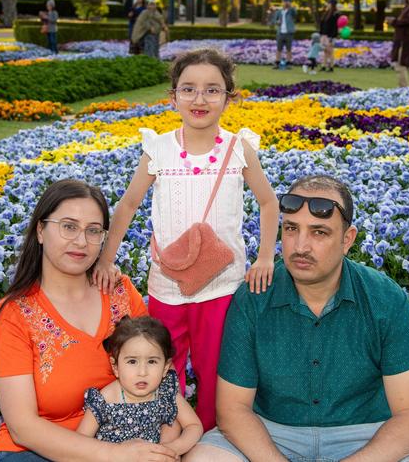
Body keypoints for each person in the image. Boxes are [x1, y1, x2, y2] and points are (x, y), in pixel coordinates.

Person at [185, 174, 409, 462]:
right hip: (270, 434)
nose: (301, 246)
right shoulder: (253, 297)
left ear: (347, 239)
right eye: (291, 229)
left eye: (319, 232)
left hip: (366, 437)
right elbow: (233, 410)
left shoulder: (384, 298)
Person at [92, 48, 279, 432]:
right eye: (189, 89)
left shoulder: (238, 147)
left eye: (213, 90)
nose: (200, 99)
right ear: (172, 95)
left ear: (229, 97)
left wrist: (265, 258)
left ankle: (212, 439)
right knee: (162, 366)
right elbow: (128, 205)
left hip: (221, 286)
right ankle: (162, 436)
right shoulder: (157, 149)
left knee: (215, 369)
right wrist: (106, 259)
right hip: (168, 284)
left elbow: (268, 201)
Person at [0, 179, 178, 461]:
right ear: (40, 230)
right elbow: (23, 428)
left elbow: (158, 378)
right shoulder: (15, 314)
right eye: (68, 226)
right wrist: (115, 454)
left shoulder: (120, 292)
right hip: (37, 452)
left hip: (128, 441)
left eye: (93, 231)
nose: (81, 241)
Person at [77, 315, 203, 455]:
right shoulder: (105, 399)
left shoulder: (165, 392)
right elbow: (79, 443)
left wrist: (171, 449)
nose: (142, 372)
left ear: (165, 367)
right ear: (116, 367)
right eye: (132, 362)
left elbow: (194, 426)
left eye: (152, 362)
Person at [269, 0, 297, 68]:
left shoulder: (291, 11)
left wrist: (291, 7)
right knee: (279, 49)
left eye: (288, 1)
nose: (286, 3)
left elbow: (295, 14)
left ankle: (289, 63)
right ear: (282, 2)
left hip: (289, 33)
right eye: (285, 1)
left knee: (289, 49)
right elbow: (274, 21)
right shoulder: (279, 11)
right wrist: (277, 22)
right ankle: (277, 63)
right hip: (280, 32)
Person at [319, 0, 340, 72]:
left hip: (330, 35)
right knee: (325, 51)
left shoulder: (335, 14)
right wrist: (321, 34)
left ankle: (331, 66)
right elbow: (322, 24)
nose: (327, 5)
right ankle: (323, 65)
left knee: (330, 51)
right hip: (324, 35)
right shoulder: (326, 13)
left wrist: (332, 36)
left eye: (329, 3)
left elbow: (335, 27)